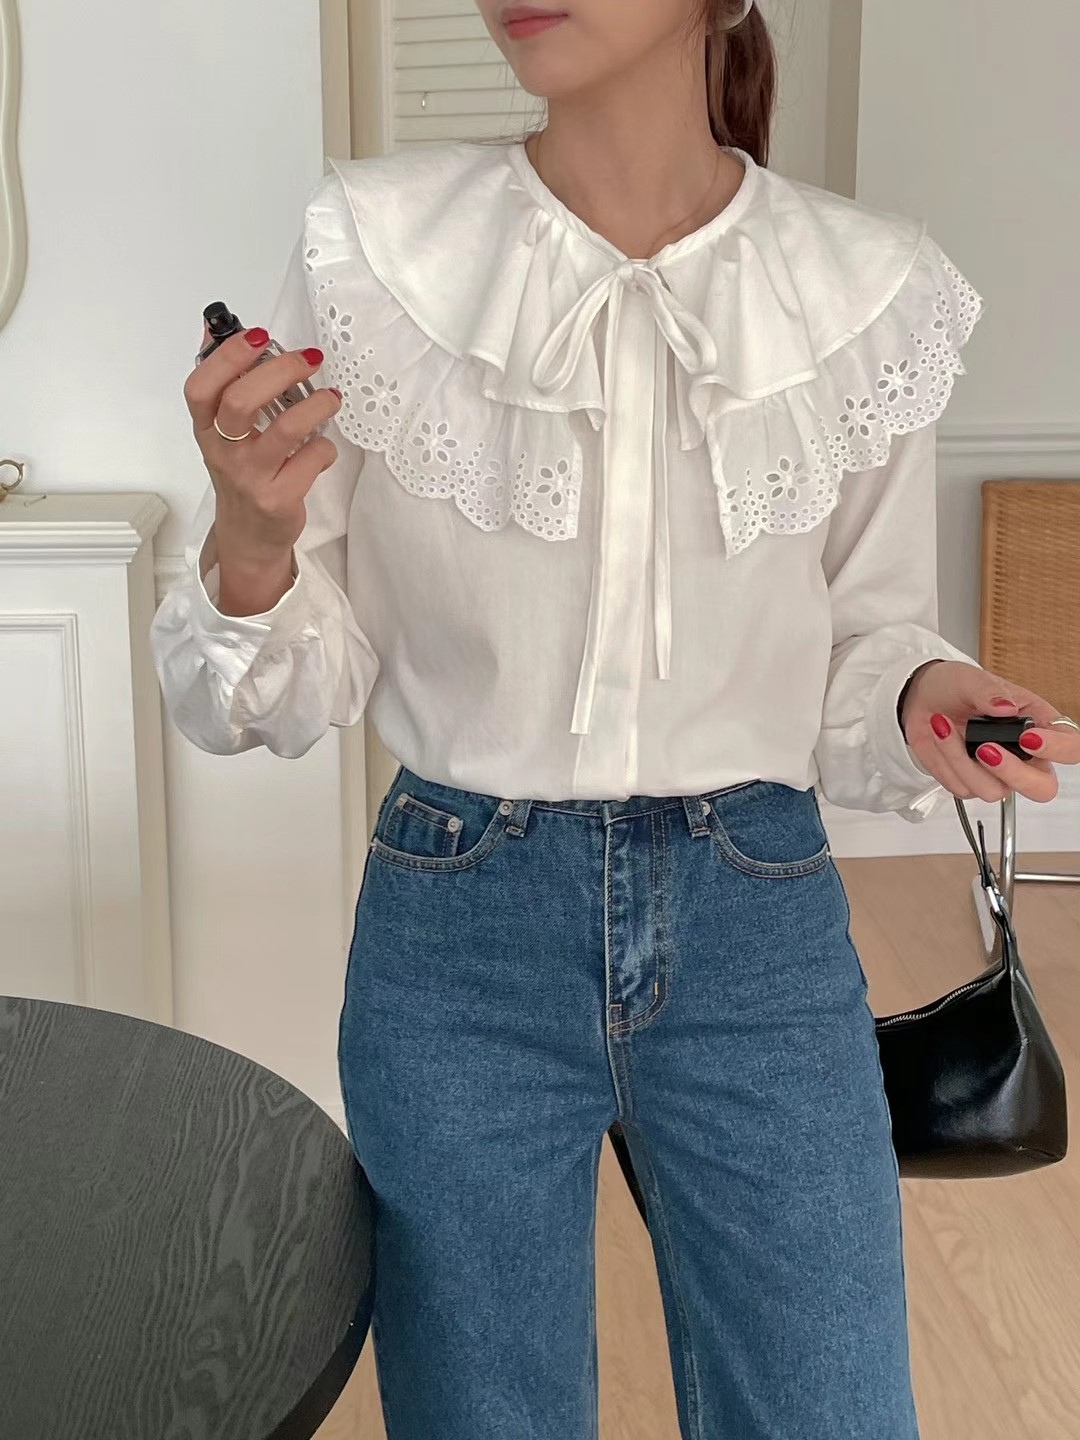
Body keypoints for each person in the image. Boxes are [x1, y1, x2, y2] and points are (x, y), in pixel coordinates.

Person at [152, 1, 1080, 1435]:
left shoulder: (867, 288)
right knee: (482, 1412)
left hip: (757, 917)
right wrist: (254, 541)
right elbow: (285, 686)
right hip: (457, 924)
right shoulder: (377, 251)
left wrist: (922, 692)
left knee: (830, 1406)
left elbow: (868, 630)